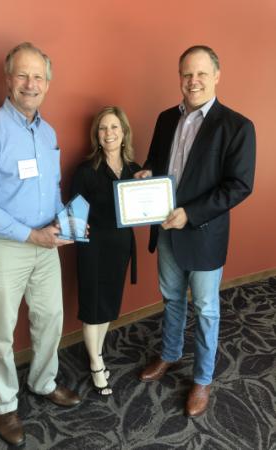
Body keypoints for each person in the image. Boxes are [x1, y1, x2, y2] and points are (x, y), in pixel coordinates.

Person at [0, 42, 81, 447]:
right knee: (0, 332)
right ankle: (5, 404)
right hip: (5, 247)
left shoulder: (47, 132)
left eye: (39, 77)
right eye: (23, 75)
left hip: (46, 244)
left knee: (50, 320)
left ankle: (44, 382)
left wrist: (65, 219)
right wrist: (30, 235)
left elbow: (51, 187)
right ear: (9, 79)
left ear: (48, 83)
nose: (31, 84)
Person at [136, 45, 256, 417]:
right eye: (187, 74)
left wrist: (190, 214)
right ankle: (170, 354)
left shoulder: (237, 126)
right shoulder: (165, 118)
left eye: (202, 73)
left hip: (202, 232)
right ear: (180, 78)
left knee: (205, 309)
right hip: (166, 229)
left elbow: (239, 185)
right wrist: (145, 174)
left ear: (217, 76)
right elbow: (158, 162)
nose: (194, 81)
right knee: (171, 298)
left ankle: (202, 379)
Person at [71, 106, 141, 396]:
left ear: (123, 133)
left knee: (109, 303)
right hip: (93, 248)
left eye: (114, 127)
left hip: (120, 247)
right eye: (103, 128)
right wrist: (77, 226)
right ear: (96, 136)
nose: (109, 133)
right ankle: (96, 364)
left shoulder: (135, 171)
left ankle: (95, 353)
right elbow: (74, 212)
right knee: (93, 307)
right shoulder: (86, 170)